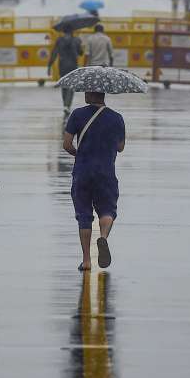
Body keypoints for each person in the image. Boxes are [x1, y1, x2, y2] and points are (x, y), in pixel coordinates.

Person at [63, 91, 126, 271]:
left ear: (90, 93)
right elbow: (121, 147)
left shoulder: (77, 114)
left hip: (83, 171)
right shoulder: (117, 118)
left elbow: (66, 144)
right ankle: (103, 237)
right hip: (106, 172)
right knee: (107, 210)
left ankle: (87, 261)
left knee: (84, 216)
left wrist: (80, 154)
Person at [49, 28, 84, 113]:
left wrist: (49, 66)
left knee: (64, 85)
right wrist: (79, 45)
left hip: (62, 65)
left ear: (64, 32)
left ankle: (65, 104)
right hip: (73, 66)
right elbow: (81, 53)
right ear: (72, 32)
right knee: (71, 86)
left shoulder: (59, 40)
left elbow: (54, 53)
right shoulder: (76, 40)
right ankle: (68, 105)